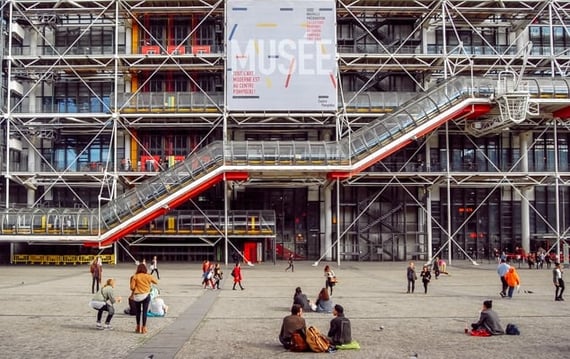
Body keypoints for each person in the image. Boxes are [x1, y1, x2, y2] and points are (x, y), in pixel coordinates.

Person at [130, 263, 158, 334]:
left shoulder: (135, 276)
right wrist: (149, 278)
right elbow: (156, 282)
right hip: (146, 295)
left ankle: (138, 327)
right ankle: (144, 328)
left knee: (138, 312)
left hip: (137, 296)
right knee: (144, 312)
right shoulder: (148, 276)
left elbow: (132, 287)